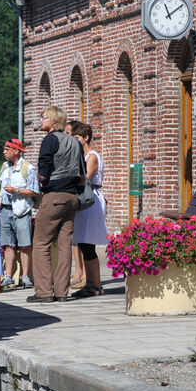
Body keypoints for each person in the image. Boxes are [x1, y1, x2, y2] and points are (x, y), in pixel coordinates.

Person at [28, 106, 83, 303]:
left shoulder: (50, 140)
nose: (41, 121)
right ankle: (62, 293)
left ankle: (43, 292)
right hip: (72, 197)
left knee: (41, 243)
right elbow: (82, 176)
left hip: (54, 196)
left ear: (52, 120)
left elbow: (43, 172)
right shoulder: (75, 142)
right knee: (64, 245)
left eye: (43, 118)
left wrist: (34, 177)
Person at [70, 122, 109, 298]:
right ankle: (89, 283)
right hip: (83, 200)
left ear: (86, 138)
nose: (75, 141)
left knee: (89, 244)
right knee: (83, 244)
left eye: (77, 138)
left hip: (91, 200)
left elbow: (85, 178)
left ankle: (96, 285)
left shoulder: (92, 156)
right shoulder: (80, 156)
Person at [0, 138, 39, 289]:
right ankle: (8, 277)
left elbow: (34, 191)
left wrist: (17, 191)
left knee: (25, 245)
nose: (4, 152)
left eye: (7, 149)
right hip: (5, 210)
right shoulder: (4, 166)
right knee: (8, 245)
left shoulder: (28, 168)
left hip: (21, 211)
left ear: (16, 151)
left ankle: (25, 277)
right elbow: (1, 188)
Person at [65, 120, 85, 289]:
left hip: (85, 199)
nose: (70, 139)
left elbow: (85, 178)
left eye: (73, 135)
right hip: (76, 197)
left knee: (84, 241)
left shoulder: (91, 156)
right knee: (76, 239)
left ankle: (84, 275)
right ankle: (78, 272)